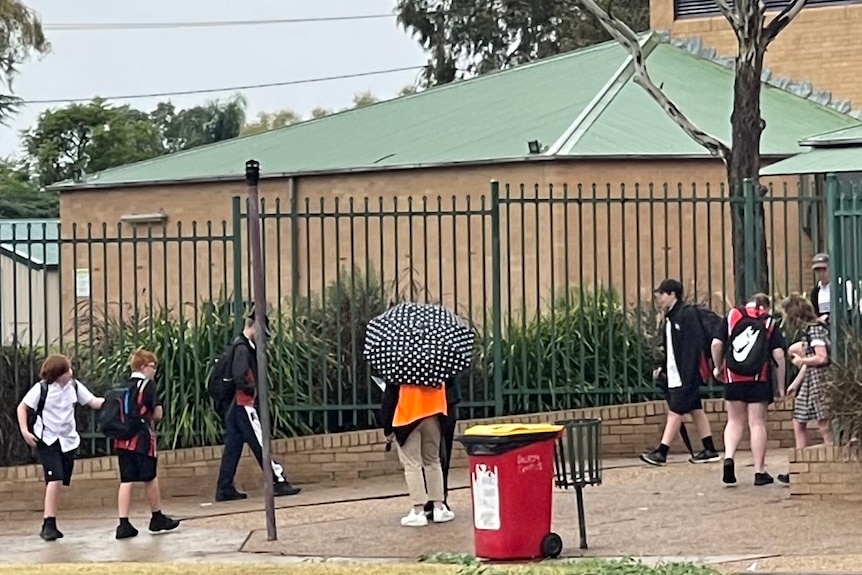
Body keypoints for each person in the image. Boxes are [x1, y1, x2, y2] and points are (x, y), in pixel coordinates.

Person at [16, 354, 105, 541]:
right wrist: (25, 430)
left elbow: (93, 402)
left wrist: (112, 400)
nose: (70, 372)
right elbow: (22, 407)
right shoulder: (42, 389)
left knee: (60, 481)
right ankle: (48, 524)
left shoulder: (74, 386)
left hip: (68, 440)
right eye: (66, 370)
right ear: (58, 374)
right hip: (47, 439)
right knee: (54, 479)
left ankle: (51, 521)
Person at [215, 315, 301, 502]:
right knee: (261, 443)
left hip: (234, 406)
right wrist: (252, 390)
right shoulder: (243, 350)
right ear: (254, 327)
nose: (264, 339)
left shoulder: (238, 346)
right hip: (243, 404)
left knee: (233, 447)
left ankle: (224, 487)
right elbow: (240, 376)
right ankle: (278, 481)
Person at [640, 279, 720, 466]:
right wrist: (662, 365)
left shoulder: (686, 315)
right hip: (677, 373)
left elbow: (694, 346)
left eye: (662, 294)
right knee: (695, 410)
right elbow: (671, 348)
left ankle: (662, 452)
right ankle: (709, 449)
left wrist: (688, 374)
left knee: (675, 412)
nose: (659, 298)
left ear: (672, 294)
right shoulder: (672, 317)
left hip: (685, 375)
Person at [711, 293, 787, 486]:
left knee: (734, 421)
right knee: (757, 423)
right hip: (758, 378)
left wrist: (718, 367)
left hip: (733, 376)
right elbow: (778, 356)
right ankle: (759, 471)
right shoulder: (768, 322)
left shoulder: (732, 315)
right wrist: (780, 387)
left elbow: (716, 344)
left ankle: (729, 457)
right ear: (766, 306)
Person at [114, 349, 180, 539]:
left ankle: (123, 523)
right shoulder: (147, 385)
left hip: (122, 440)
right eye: (153, 366)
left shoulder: (122, 385)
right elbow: (157, 413)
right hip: (141, 439)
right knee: (149, 477)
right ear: (143, 366)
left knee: (126, 480)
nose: (155, 371)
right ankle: (157, 516)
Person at [381, 379, 455, 527]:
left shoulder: (400, 368)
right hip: (433, 416)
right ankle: (439, 508)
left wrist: (387, 429)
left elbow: (390, 398)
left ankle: (418, 510)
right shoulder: (436, 366)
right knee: (433, 461)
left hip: (407, 418)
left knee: (412, 464)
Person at [776, 294, 833, 485]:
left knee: (824, 422)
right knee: (799, 420)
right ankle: (799, 464)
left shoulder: (815, 331)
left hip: (820, 379)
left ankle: (831, 457)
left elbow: (821, 358)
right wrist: (796, 383)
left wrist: (802, 361)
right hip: (811, 378)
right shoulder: (811, 330)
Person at [423, 371, 461, 517]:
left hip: (444, 402)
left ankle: (439, 497)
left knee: (440, 452)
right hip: (434, 402)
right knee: (431, 454)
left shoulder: (444, 356)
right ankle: (434, 497)